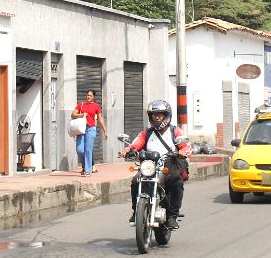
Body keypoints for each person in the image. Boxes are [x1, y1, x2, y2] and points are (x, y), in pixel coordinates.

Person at [121, 100, 191, 230]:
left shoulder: (175, 132)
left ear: (167, 116)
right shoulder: (146, 133)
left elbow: (186, 147)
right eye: (154, 115)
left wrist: (183, 151)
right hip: (150, 167)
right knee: (136, 180)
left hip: (168, 167)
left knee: (176, 181)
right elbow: (135, 145)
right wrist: (127, 151)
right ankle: (136, 211)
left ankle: (172, 217)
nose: (157, 117)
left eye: (160, 114)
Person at [71, 90, 108, 176]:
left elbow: (100, 118)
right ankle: (85, 165)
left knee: (88, 150)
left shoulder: (96, 106)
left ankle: (88, 170)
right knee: (79, 149)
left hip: (91, 129)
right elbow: (72, 115)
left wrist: (105, 131)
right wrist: (81, 115)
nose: (88, 97)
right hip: (81, 129)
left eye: (90, 96)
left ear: (93, 97)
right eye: (87, 95)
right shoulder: (81, 105)